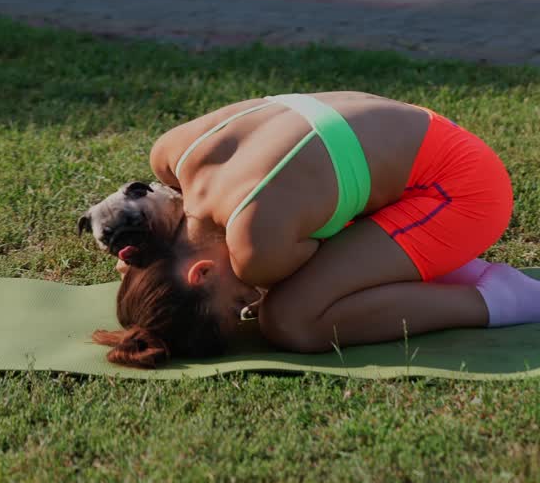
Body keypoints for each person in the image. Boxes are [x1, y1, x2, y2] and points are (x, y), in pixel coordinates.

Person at [86, 91, 540, 368]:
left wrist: (267, 305)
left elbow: (308, 292)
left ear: (201, 273)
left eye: (237, 305)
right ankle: (454, 269)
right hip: (422, 134)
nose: (251, 298)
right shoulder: (173, 156)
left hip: (463, 188)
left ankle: (506, 300)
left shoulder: (256, 245)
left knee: (293, 321)